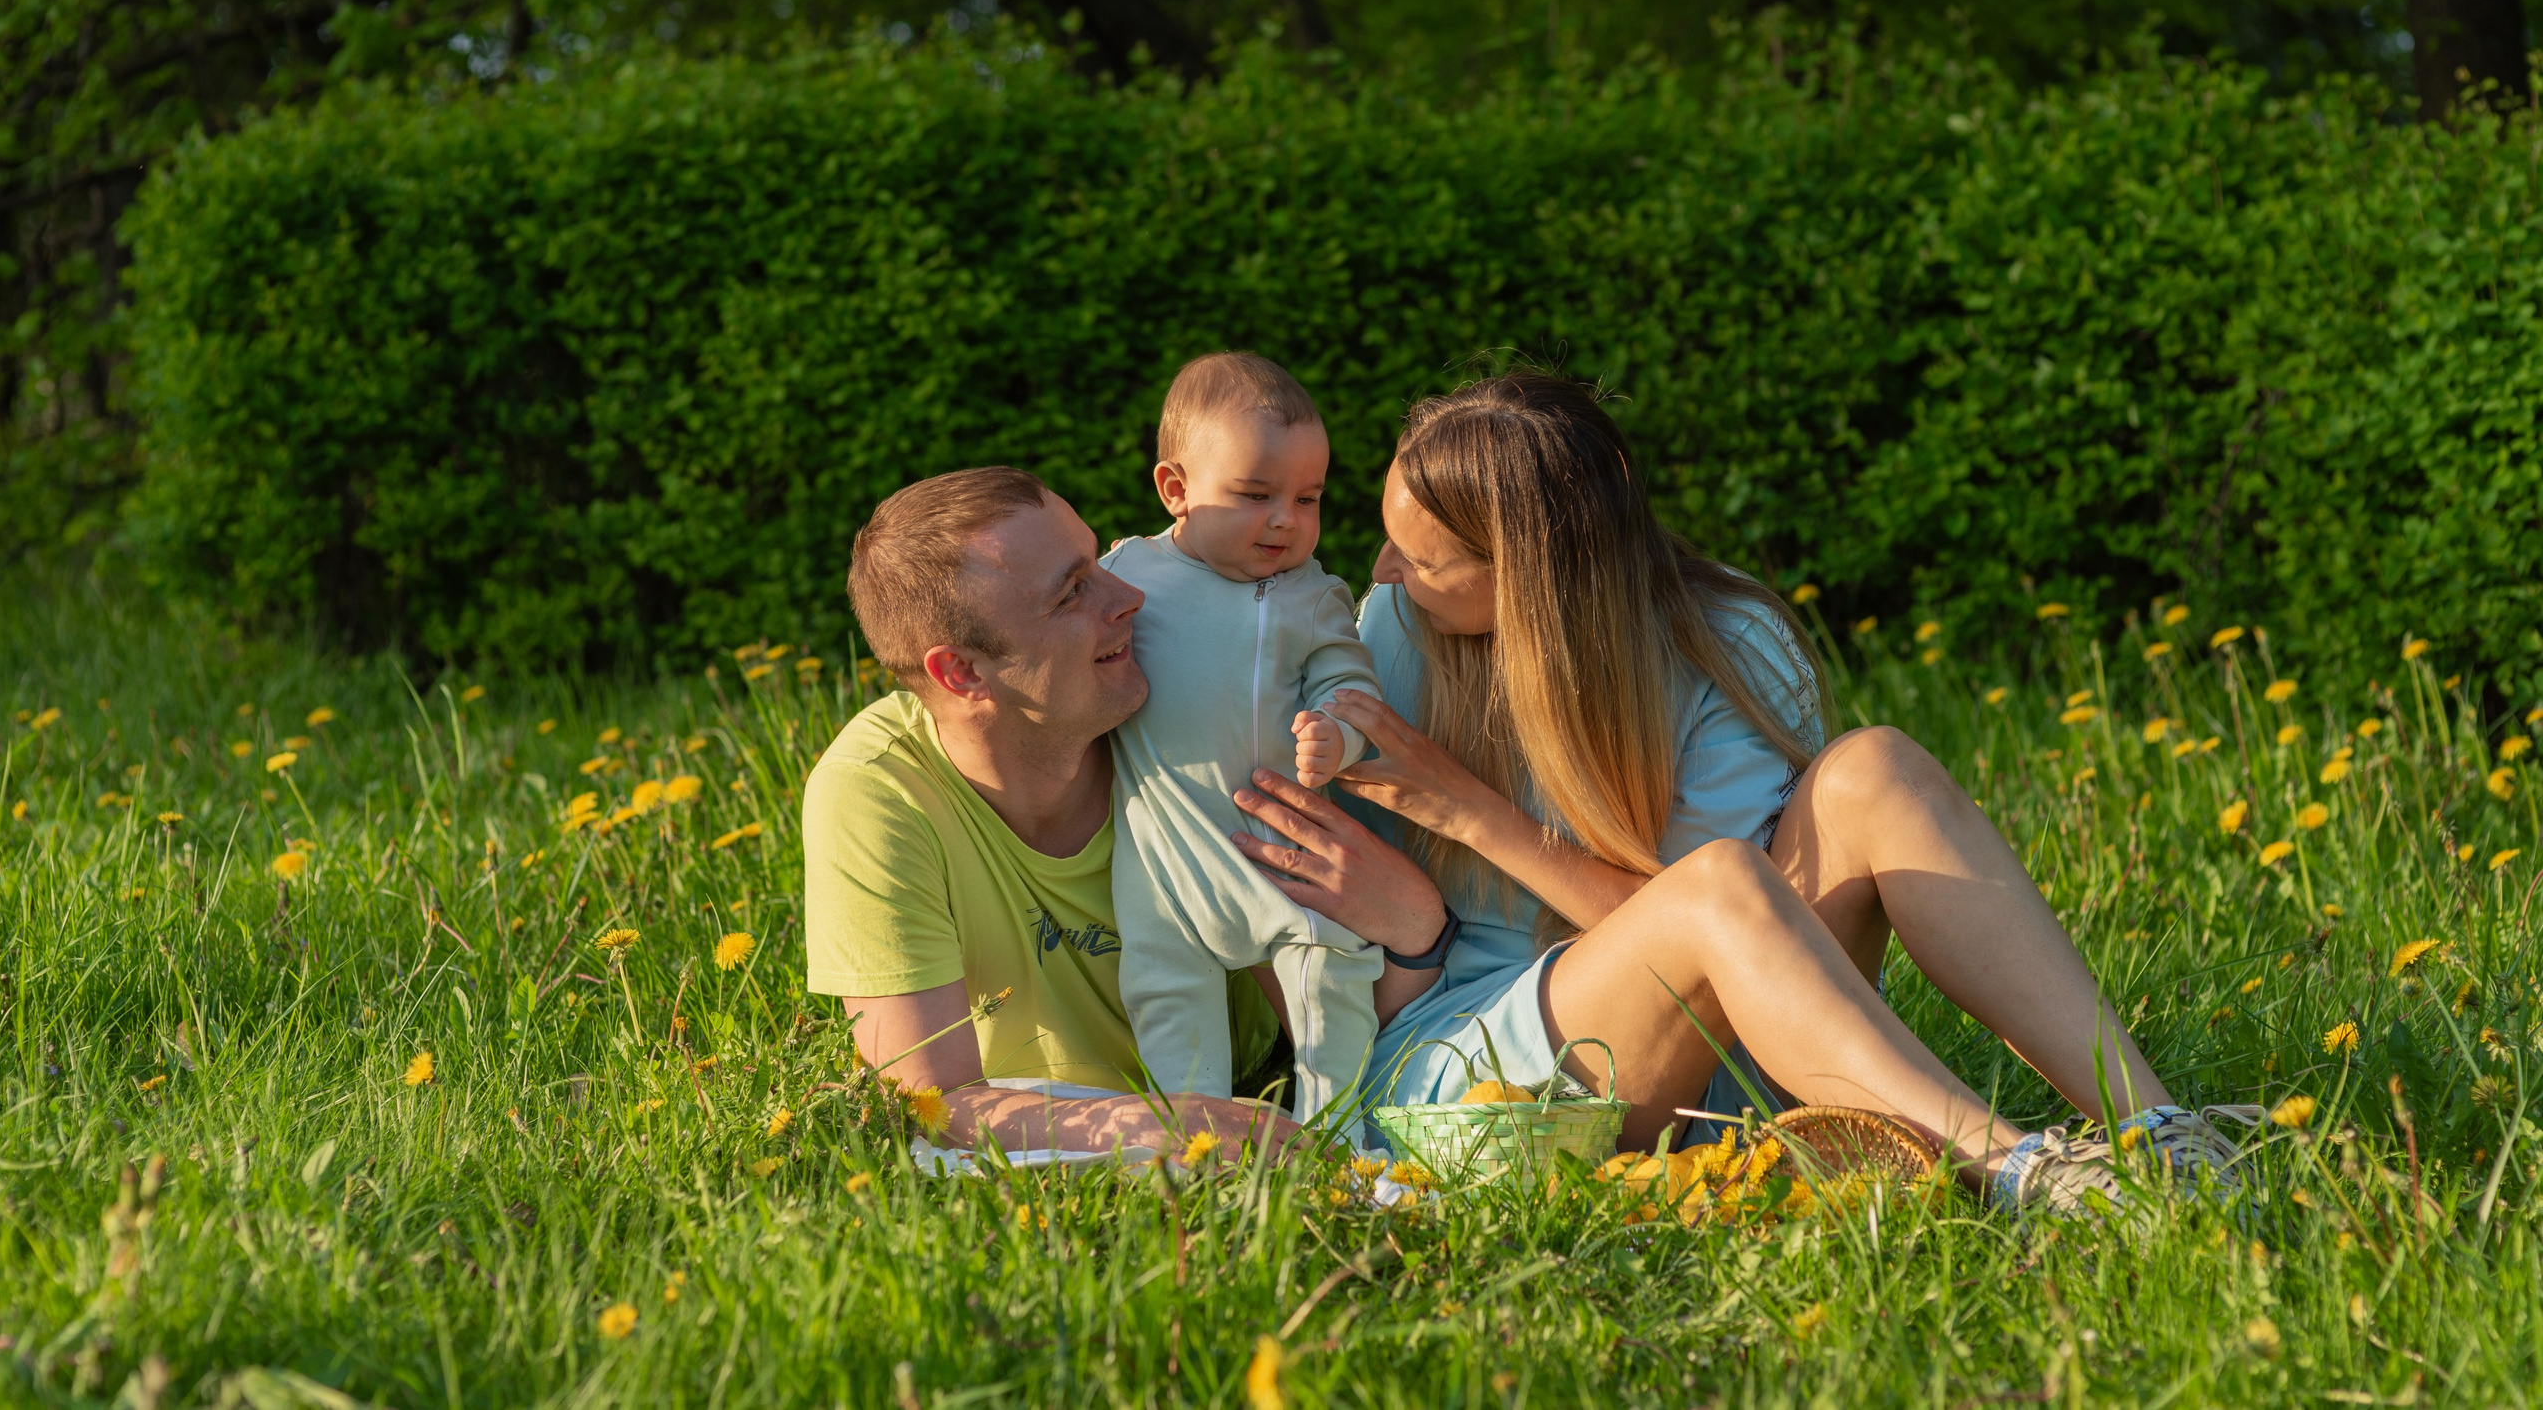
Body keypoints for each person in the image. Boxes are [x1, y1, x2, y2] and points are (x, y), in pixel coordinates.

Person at [1218, 372, 2246, 1210]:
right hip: (1487, 1062)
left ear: (1529, 577)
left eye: (1424, 558)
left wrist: (1471, 812)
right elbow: (1270, 865)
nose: (1384, 570)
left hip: (1731, 1041)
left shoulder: (1726, 640)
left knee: (1874, 768)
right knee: (1716, 885)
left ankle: (2157, 1129)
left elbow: (1715, 931)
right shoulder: (1388, 635)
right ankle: (2023, 1169)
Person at [802, 464, 1297, 1157]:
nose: (1130, 597)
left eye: (1098, 562)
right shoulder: (879, 792)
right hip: (1072, 1126)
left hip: (1266, 1075)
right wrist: (1165, 1126)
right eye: (1072, 592)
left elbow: (1325, 970)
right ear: (962, 672)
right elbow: (927, 1098)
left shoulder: (1185, 703)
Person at [1100, 353, 1384, 1127]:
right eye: (1255, 495)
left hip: (1276, 841)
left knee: (1330, 965)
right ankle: (1194, 1139)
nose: (1286, 519)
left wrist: (1337, 734)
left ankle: (1338, 1131)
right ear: (1176, 489)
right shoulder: (1127, 574)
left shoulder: (1312, 595)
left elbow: (1352, 685)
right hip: (1161, 845)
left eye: (1308, 497)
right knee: (1166, 989)